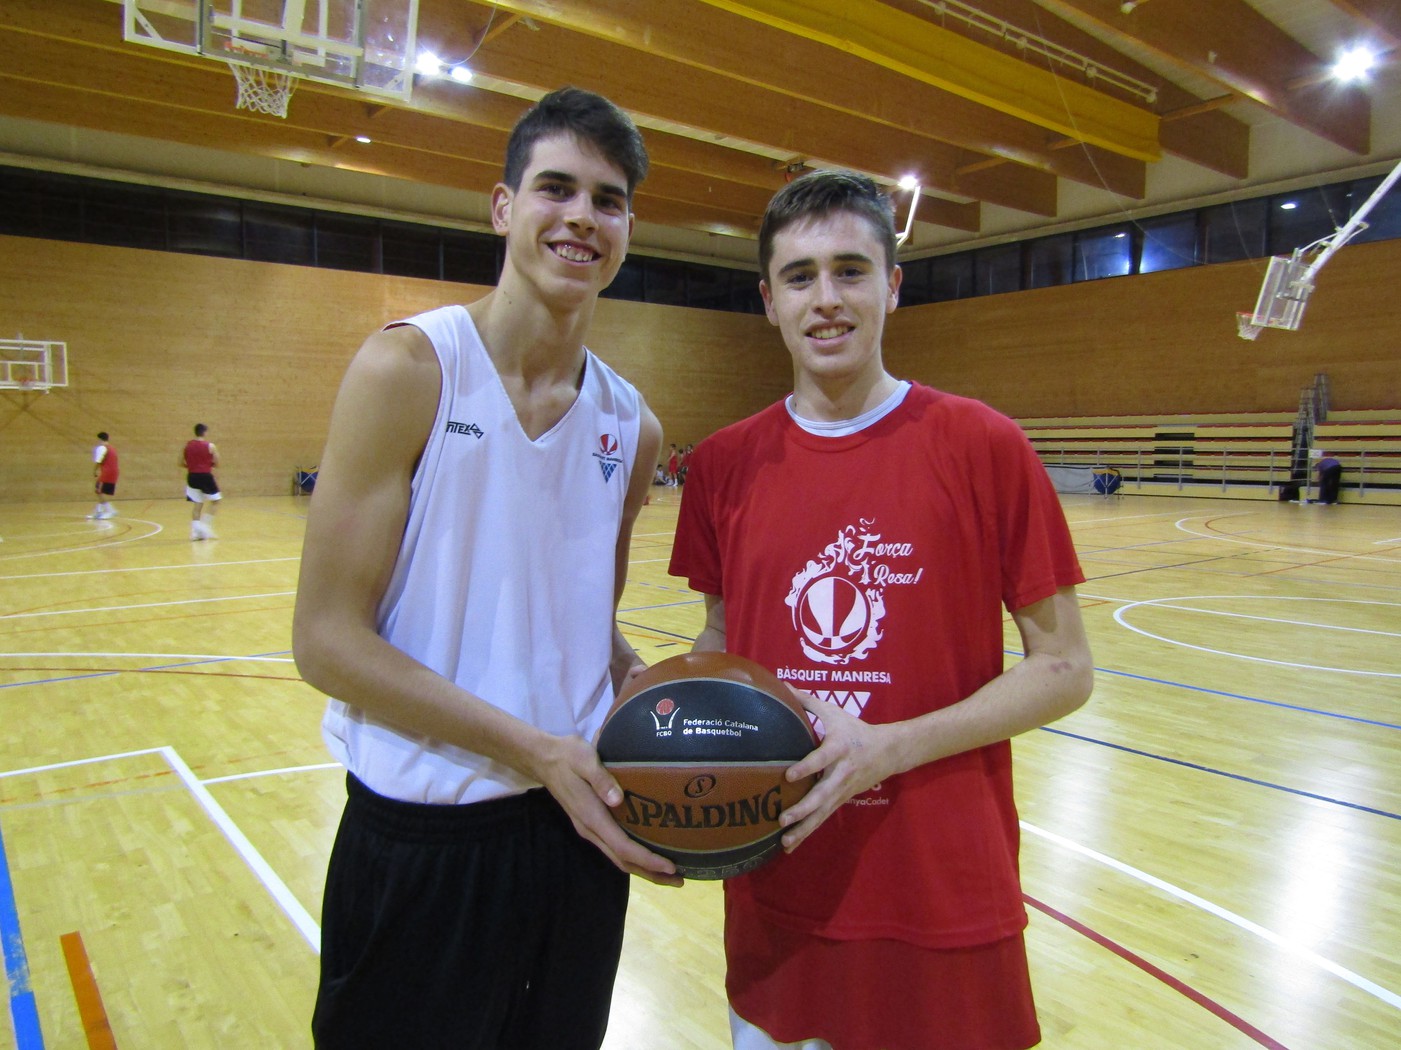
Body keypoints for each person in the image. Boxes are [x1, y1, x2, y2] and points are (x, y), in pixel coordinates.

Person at [669, 169, 1094, 1050]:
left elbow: (1063, 669)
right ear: (768, 301)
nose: (826, 299)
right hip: (780, 875)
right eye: (799, 277)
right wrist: (667, 720)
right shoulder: (720, 465)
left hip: (940, 883)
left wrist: (889, 746)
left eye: (850, 270)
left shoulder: (984, 444)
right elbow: (721, 636)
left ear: (892, 287)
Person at [291, 87, 676, 1050]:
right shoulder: (410, 370)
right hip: (424, 836)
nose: (582, 216)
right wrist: (533, 747)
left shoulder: (632, 426)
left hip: (576, 836)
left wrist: (663, 694)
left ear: (627, 226)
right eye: (556, 188)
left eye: (609, 198)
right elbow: (327, 642)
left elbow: (580, 627)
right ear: (504, 208)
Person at [181, 423, 221, 540]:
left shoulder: (187, 446)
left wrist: (192, 466)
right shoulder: (211, 446)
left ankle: (194, 533)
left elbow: (179, 462)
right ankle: (205, 526)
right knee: (216, 500)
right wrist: (207, 465)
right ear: (204, 432)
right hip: (205, 476)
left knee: (198, 504)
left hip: (192, 476)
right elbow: (217, 463)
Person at [88, 431, 119, 519]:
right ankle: (98, 512)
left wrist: (94, 471)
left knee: (98, 491)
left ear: (99, 439)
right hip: (114, 471)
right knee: (100, 490)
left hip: (107, 471)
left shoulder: (101, 448)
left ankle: (110, 510)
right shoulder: (112, 448)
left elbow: (98, 461)